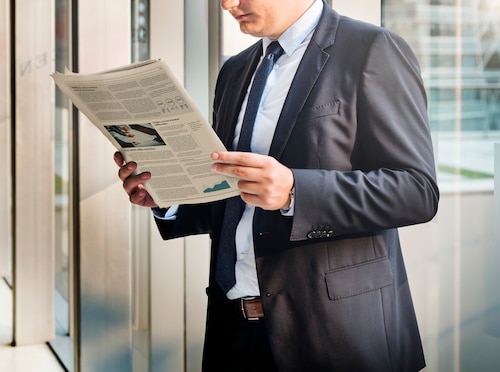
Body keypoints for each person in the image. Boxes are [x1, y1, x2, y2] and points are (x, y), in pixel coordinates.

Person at [115, 0, 439, 370]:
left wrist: (294, 192)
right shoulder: (235, 70)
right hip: (233, 332)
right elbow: (234, 197)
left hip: (334, 335)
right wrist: (168, 196)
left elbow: (417, 191)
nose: (227, 4)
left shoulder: (372, 49)